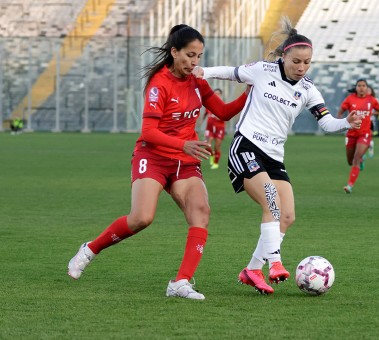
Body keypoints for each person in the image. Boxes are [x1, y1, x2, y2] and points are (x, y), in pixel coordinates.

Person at [67, 24, 248, 300]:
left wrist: (250, 91)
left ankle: (180, 283)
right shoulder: (159, 84)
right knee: (142, 218)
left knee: (201, 213)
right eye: (189, 55)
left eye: (199, 56)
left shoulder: (198, 80)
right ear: (174, 52)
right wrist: (184, 144)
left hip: (184, 162)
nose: (195, 62)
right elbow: (148, 133)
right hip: (153, 156)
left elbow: (222, 113)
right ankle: (90, 249)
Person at [192, 17, 362, 295]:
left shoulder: (308, 89)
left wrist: (346, 122)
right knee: (271, 199)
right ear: (284, 56)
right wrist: (204, 71)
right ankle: (275, 263)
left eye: (307, 62)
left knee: (288, 215)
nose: (302, 67)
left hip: (273, 157)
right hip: (246, 146)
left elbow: (327, 121)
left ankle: (252, 270)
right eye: (296, 61)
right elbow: (231, 72)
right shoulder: (262, 70)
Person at [337, 79, 379, 194]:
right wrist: (339, 124)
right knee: (350, 161)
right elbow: (340, 111)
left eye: (364, 86)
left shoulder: (371, 100)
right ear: (356, 87)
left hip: (364, 134)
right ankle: (362, 159)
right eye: (359, 85)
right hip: (351, 134)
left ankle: (349, 186)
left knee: (356, 159)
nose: (362, 88)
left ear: (366, 87)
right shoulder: (350, 99)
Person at [203, 88, 226, 169]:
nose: (216, 95)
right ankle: (212, 155)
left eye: (218, 94)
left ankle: (215, 163)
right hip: (210, 128)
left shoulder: (223, 105)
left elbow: (227, 116)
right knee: (207, 146)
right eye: (215, 93)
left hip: (219, 128)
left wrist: (220, 116)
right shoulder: (209, 104)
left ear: (221, 95)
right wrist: (202, 121)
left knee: (217, 147)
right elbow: (205, 113)